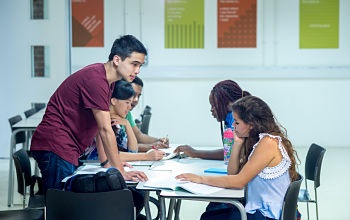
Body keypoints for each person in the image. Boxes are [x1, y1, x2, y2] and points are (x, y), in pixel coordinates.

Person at [30, 35, 148, 194]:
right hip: (56, 145)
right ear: (117, 60)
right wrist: (120, 170)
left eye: (140, 65)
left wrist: (107, 162)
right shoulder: (96, 80)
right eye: (134, 64)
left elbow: (99, 128)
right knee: (61, 207)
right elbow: (106, 130)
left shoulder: (108, 82)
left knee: (68, 206)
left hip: (65, 147)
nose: (137, 70)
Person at [176, 96, 299, 220]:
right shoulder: (259, 140)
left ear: (251, 124)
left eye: (237, 122)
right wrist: (237, 143)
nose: (233, 125)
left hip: (266, 215)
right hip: (259, 210)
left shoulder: (268, 143)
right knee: (211, 213)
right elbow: (232, 173)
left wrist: (200, 179)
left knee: (211, 216)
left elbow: (239, 182)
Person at [88, 79, 165, 162]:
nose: (129, 107)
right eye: (127, 102)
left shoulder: (117, 121)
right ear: (114, 101)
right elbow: (110, 155)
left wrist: (127, 124)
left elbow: (132, 151)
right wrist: (146, 156)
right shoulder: (101, 120)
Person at [174, 80, 251, 162]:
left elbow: (231, 153)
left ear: (229, 104)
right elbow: (230, 151)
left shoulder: (238, 118)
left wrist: (195, 153)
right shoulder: (230, 118)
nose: (211, 110)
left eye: (214, 106)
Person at [126, 76, 169, 152]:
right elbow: (121, 147)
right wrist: (152, 147)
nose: (136, 100)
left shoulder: (127, 113)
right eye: (133, 94)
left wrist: (159, 140)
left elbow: (138, 135)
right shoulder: (110, 116)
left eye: (138, 96)